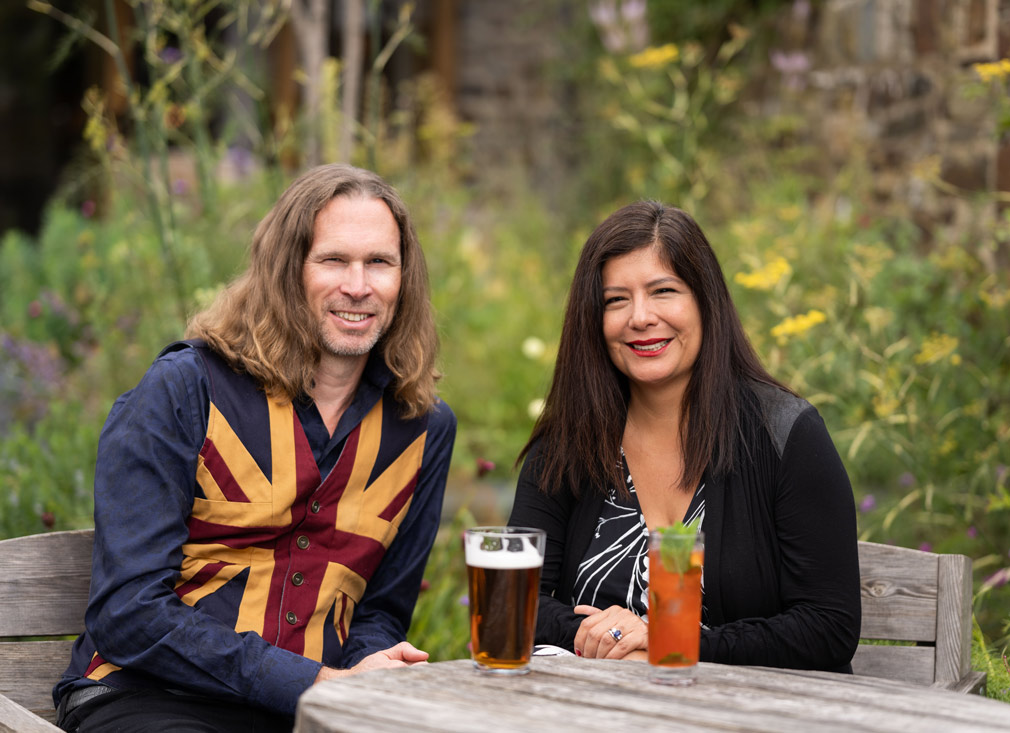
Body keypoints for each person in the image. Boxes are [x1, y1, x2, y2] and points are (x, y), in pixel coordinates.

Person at [53, 164, 457, 731]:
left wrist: (368, 664)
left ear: (404, 280)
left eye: (380, 263)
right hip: (147, 697)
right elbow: (128, 613)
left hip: (310, 712)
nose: (359, 285)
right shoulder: (185, 389)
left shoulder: (421, 429)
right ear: (287, 271)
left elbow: (381, 610)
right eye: (334, 260)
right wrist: (311, 682)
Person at [508, 201, 860, 669]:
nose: (640, 317)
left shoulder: (785, 434)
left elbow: (828, 627)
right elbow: (514, 596)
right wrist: (613, 637)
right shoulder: (568, 442)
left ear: (705, 301)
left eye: (663, 291)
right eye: (616, 300)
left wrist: (668, 642)